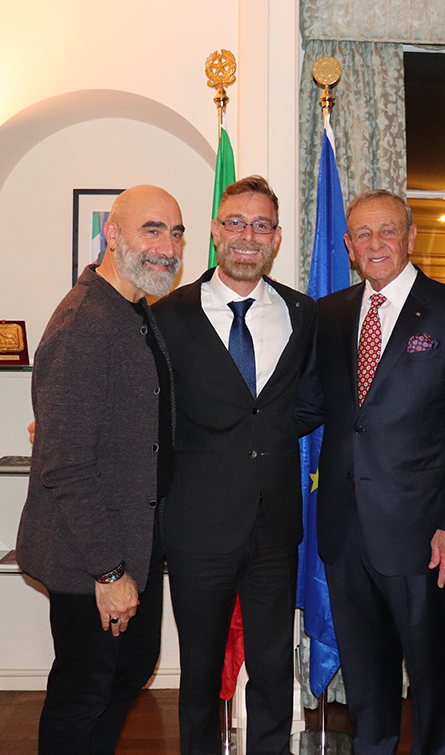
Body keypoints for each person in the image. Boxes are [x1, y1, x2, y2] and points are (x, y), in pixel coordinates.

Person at [297, 189, 445, 755]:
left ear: (410, 237)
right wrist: (224, 429)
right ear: (349, 246)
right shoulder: (329, 315)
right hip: (343, 528)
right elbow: (311, 407)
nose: (375, 243)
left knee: (430, 675)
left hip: (425, 531)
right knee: (365, 677)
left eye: (388, 231)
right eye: (363, 234)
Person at [16, 184, 184, 755]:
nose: (168, 246)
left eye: (177, 231)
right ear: (112, 235)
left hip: (134, 543)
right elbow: (65, 466)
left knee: (127, 671)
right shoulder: (84, 322)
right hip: (89, 557)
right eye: (152, 229)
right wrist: (109, 574)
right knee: (83, 696)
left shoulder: (134, 310)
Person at [152, 176, 315, 755]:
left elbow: (312, 398)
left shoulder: (303, 313)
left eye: (262, 225)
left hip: (275, 529)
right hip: (197, 528)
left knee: (273, 672)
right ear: (216, 231)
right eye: (237, 223)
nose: (249, 235)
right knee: (198, 677)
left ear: (275, 238)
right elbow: (151, 414)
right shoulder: (166, 317)